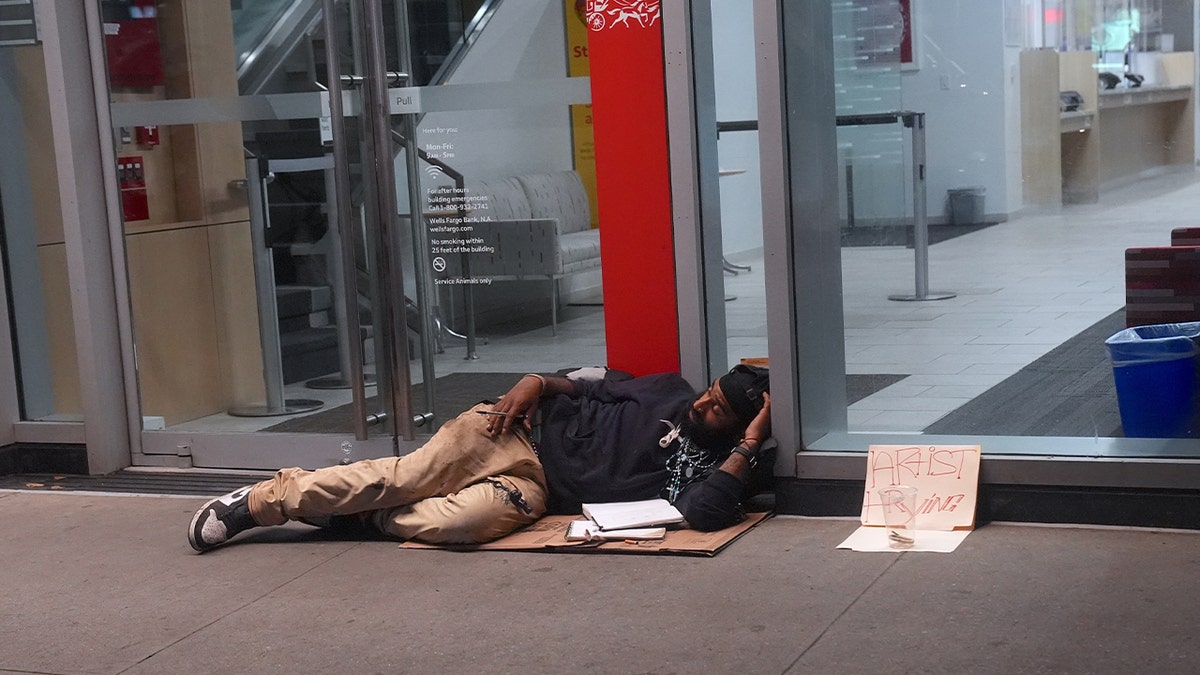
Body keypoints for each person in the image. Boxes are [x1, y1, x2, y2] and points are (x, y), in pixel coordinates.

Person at [188, 364, 772, 553]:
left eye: (718, 409)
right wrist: (537, 381)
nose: (702, 402)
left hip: (539, 492)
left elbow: (705, 515)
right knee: (404, 477)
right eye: (710, 392)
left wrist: (748, 444)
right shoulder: (669, 389)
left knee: (460, 524)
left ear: (742, 428)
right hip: (512, 430)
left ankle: (355, 515)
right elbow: (592, 382)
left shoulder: (712, 471)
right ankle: (265, 500)